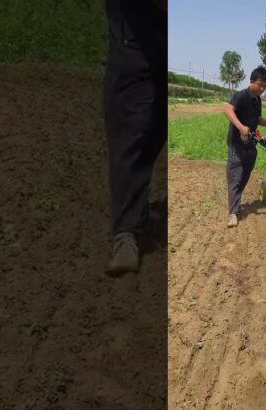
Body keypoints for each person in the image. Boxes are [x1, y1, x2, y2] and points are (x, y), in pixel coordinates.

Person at [104, 0, 164, 274]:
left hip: (164, 38)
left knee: (156, 130)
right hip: (136, 40)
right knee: (131, 131)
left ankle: (137, 208)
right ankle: (126, 233)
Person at [224, 66, 266, 228]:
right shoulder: (241, 96)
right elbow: (228, 109)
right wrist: (241, 127)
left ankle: (236, 201)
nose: (263, 88)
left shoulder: (257, 100)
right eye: (260, 84)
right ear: (251, 82)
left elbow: (258, 119)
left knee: (245, 173)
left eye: (265, 85)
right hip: (236, 143)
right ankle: (233, 213)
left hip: (250, 144)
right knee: (235, 175)